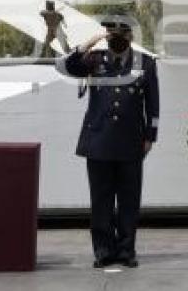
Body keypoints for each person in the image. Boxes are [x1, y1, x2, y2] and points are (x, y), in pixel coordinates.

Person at [55, 15, 159, 269]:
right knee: (101, 200)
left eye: (122, 35)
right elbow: (64, 66)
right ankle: (103, 250)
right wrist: (88, 44)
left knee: (128, 199)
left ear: (131, 37)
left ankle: (126, 250)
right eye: (111, 35)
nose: (117, 40)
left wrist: (150, 136)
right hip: (99, 139)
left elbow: (153, 103)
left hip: (131, 140)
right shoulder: (94, 60)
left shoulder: (145, 63)